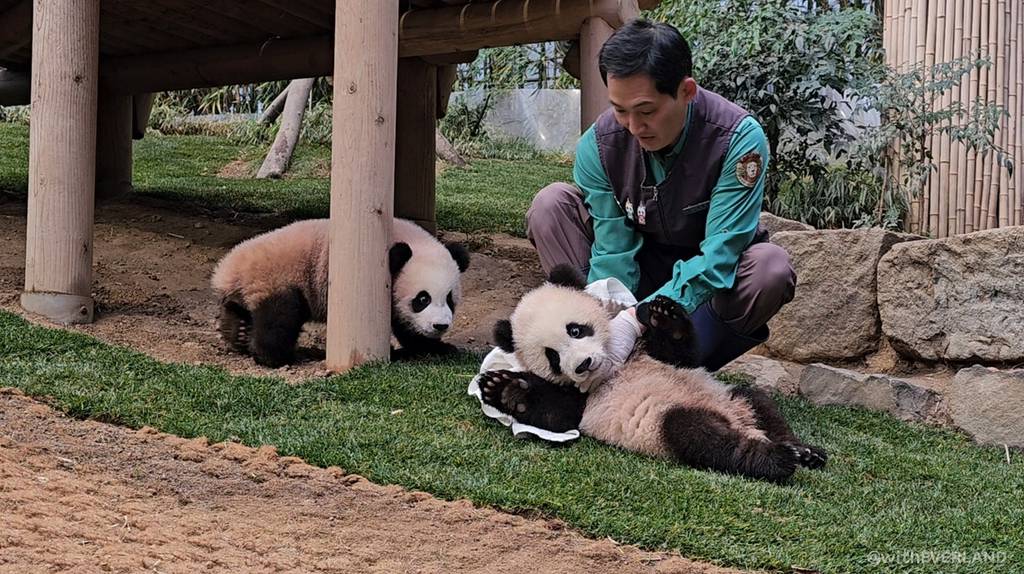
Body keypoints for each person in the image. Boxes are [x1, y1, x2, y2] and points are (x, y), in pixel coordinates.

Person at [526, 19, 796, 373]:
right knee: (551, 205)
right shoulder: (598, 145)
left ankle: (676, 366)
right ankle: (585, 349)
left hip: (704, 291)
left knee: (770, 269)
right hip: (640, 271)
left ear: (686, 91)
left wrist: (638, 319)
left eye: (647, 111)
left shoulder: (738, 141)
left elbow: (719, 257)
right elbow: (613, 249)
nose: (633, 127)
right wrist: (608, 317)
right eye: (620, 110)